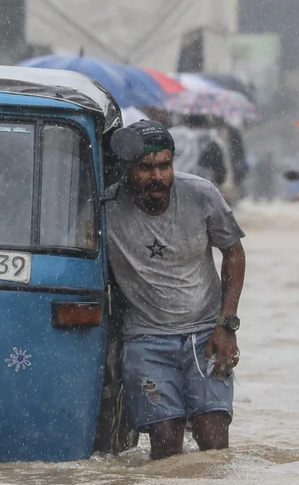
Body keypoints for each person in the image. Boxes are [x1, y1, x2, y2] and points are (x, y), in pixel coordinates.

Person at [104, 120, 247, 460]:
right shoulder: (105, 208)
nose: (157, 177)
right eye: (146, 168)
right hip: (146, 339)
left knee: (213, 442)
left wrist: (227, 325)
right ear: (126, 170)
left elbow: (234, 252)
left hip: (206, 334)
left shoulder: (201, 194)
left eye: (165, 166)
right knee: (165, 445)